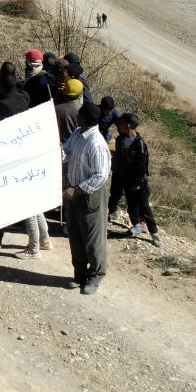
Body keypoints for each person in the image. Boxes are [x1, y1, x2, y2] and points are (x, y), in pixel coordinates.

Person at [62, 102, 111, 294]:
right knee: (75, 236)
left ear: (85, 118)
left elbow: (100, 175)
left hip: (89, 195)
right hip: (73, 194)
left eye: (79, 114)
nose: (76, 116)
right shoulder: (77, 133)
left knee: (92, 239)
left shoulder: (96, 143)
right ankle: (79, 274)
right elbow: (67, 151)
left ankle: (96, 275)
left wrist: (78, 189)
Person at [113, 113, 162, 247]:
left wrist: (138, 183)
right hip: (125, 179)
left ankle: (154, 233)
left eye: (121, 123)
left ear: (127, 126)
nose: (118, 125)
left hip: (139, 182)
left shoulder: (139, 144)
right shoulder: (120, 140)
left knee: (144, 207)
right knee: (131, 205)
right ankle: (138, 225)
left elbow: (142, 165)